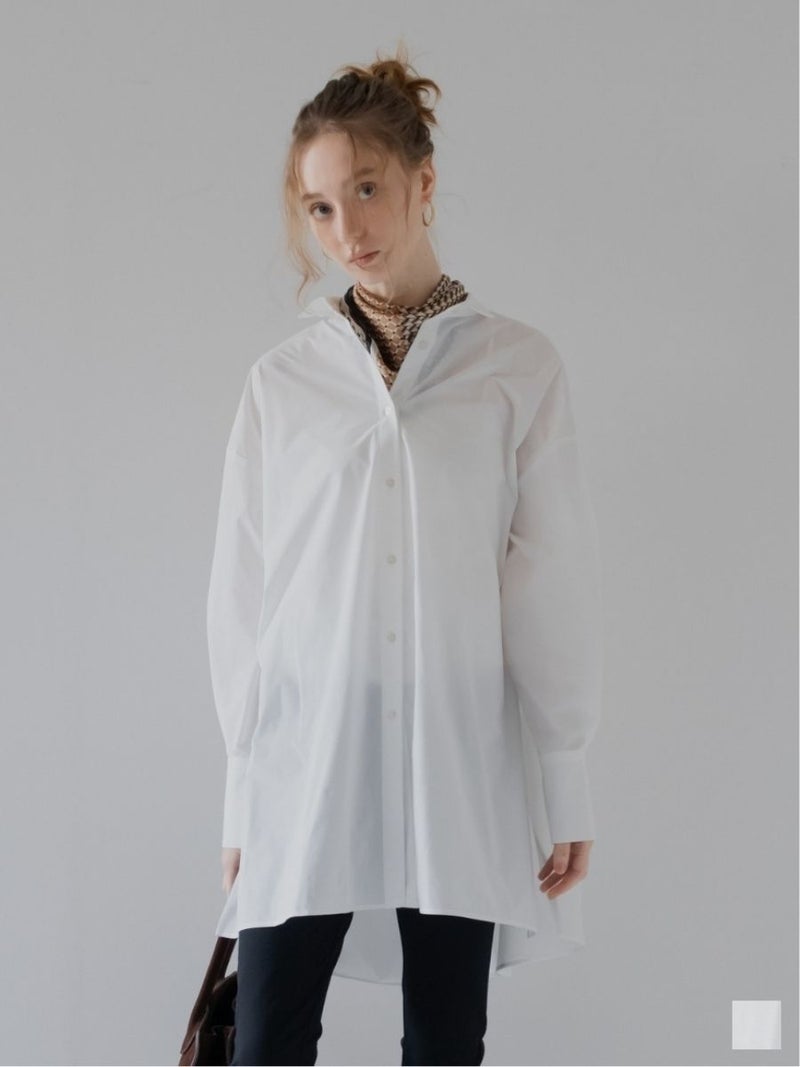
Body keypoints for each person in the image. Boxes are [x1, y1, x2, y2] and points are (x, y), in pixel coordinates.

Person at [206, 41, 603, 1067]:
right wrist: (244, 794)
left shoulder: (516, 366)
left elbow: (544, 583)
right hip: (306, 754)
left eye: (367, 189)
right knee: (266, 1037)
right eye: (320, 206)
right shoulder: (283, 383)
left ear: (424, 183)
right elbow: (245, 596)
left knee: (445, 1040)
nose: (347, 229)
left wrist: (562, 776)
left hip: (457, 752)